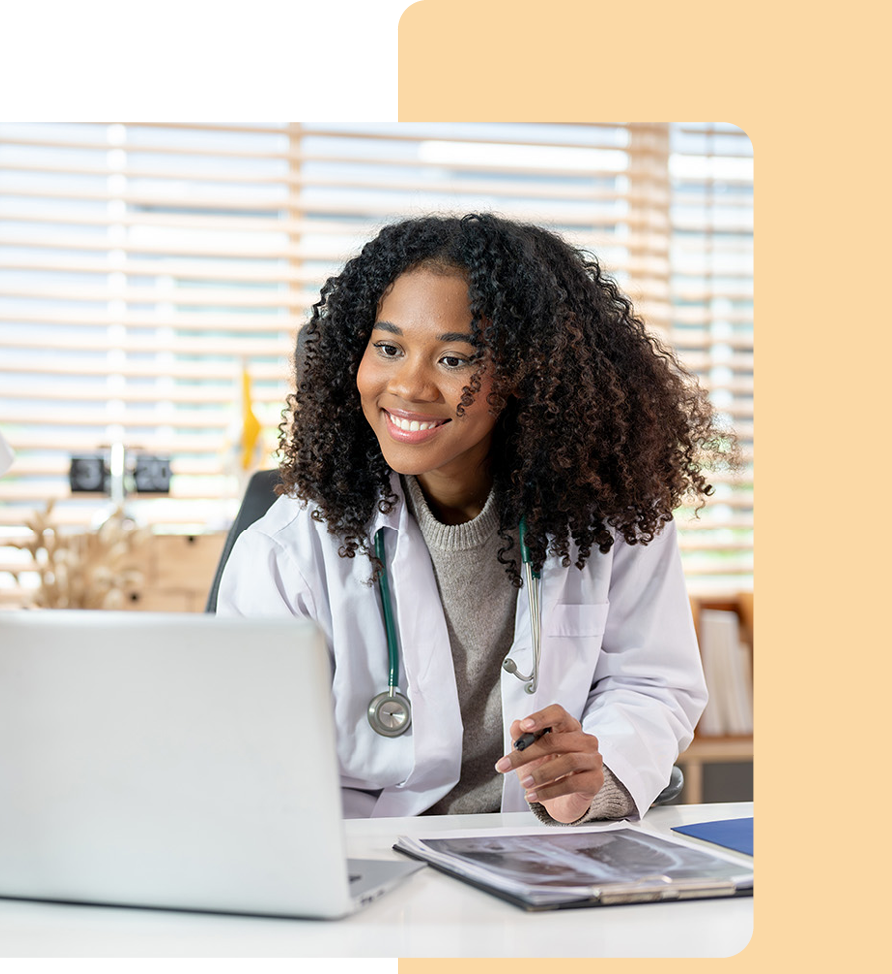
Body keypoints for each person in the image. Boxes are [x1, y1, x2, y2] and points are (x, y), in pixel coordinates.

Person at [217, 212, 733, 824]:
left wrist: (595, 781)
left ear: (526, 375)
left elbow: (651, 683)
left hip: (545, 853)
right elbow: (248, 755)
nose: (408, 386)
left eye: (455, 359)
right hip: (364, 857)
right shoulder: (287, 549)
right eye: (388, 348)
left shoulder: (612, 516)